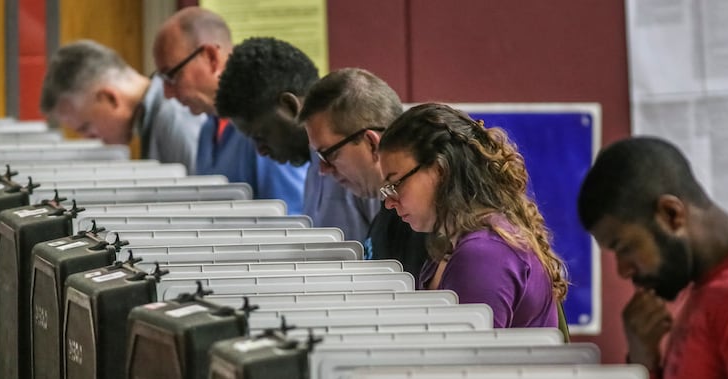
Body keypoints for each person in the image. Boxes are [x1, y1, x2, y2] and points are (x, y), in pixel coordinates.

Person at [577, 136, 728, 379]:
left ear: (671, 215)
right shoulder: (707, 289)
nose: (623, 270)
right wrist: (644, 360)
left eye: (624, 247)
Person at [377, 103, 566, 329]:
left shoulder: (485, 252)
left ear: (440, 170)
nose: (389, 202)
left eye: (396, 183)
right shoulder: (459, 244)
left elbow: (468, 361)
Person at [215, 37, 379, 241]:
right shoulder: (314, 165)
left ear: (290, 107)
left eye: (261, 136)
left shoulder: (361, 155)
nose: (261, 151)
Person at [153, 7, 307, 214]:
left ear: (211, 57)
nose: (167, 93)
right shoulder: (209, 126)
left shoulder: (267, 121)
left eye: (172, 76)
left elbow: (294, 226)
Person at [299, 68, 429, 278]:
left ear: (371, 143)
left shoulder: (424, 220)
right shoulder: (390, 208)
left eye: (329, 154)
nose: (323, 170)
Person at [40, 39, 204, 174]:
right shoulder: (153, 117)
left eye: (86, 128)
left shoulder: (173, 117)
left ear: (110, 98)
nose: (90, 139)